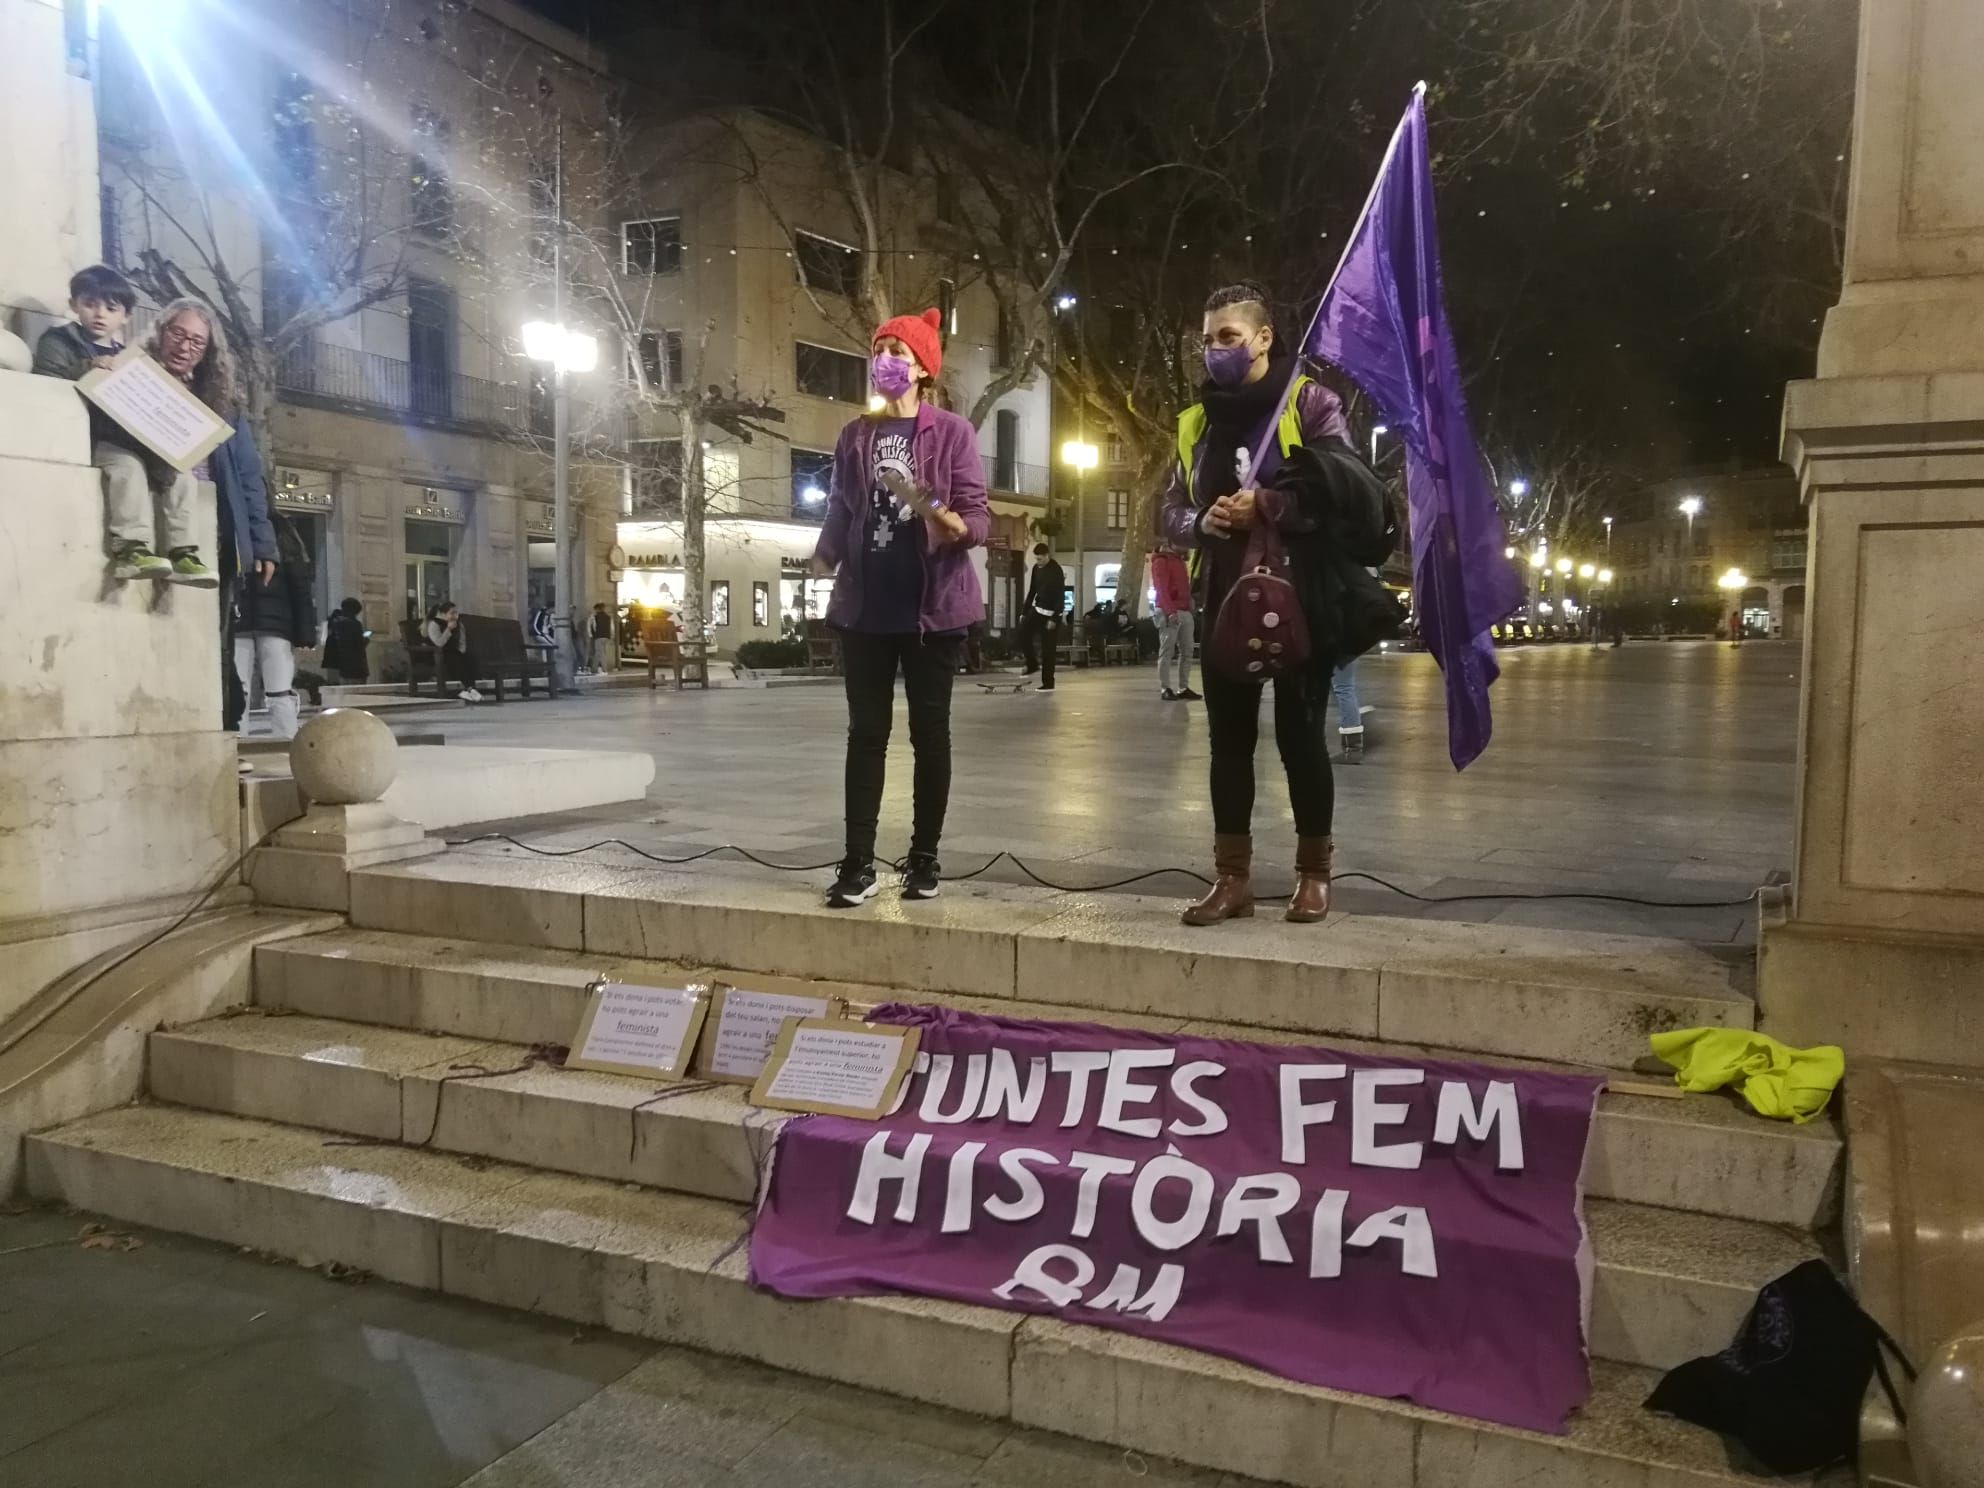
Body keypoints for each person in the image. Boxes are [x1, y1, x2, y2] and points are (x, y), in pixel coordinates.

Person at [1160, 281, 1393, 927]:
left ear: (1263, 338)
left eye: (1228, 337)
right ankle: (1231, 878)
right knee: (1227, 745)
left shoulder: (1312, 403)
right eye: (1207, 340)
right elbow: (1170, 510)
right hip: (1225, 601)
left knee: (1300, 740)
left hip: (1301, 597)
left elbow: (1346, 491)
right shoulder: (1196, 423)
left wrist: (1269, 504)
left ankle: (1314, 875)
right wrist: (1203, 521)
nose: (1215, 351)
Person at [810, 308, 987, 909]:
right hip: (865, 610)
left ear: (923, 369)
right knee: (866, 736)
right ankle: (858, 862)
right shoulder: (855, 434)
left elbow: (978, 516)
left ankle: (924, 857)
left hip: (932, 610)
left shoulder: (953, 433)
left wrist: (953, 524)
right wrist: (823, 559)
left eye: (897, 352)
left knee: (930, 736)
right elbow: (839, 507)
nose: (884, 360)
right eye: (879, 349)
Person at [32, 267, 221, 587]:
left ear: (126, 315)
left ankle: (183, 553)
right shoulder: (59, 340)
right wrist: (87, 367)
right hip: (96, 440)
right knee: (129, 468)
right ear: (74, 304)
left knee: (182, 473)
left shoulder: (130, 357)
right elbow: (47, 385)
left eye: (111, 308)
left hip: (133, 438)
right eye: (91, 304)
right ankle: (131, 549)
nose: (100, 314)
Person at [141, 300, 279, 732]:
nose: (185, 347)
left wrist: (261, 543)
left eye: (197, 341)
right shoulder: (138, 382)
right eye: (178, 334)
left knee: (213, 639)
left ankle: (223, 726)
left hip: (213, 533)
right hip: (152, 525)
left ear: (208, 351)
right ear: (161, 332)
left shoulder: (225, 408)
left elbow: (249, 479)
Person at [233, 518, 318, 739]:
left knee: (239, 690)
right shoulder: (281, 530)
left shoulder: (235, 524)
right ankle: (287, 744)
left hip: (241, 622)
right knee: (279, 691)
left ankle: (236, 747)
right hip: (276, 625)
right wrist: (305, 632)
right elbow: (301, 588)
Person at [1151, 542, 1200, 701]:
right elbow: (1161, 589)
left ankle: (1183, 687)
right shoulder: (1161, 561)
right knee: (1167, 651)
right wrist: (1170, 611)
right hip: (1169, 611)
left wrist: (1189, 601)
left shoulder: (1179, 560)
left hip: (1184, 610)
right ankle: (1165, 688)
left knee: (1187, 651)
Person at [1018, 542, 1064, 690]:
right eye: (1036, 559)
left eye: (1040, 559)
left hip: (1051, 615)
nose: (1038, 562)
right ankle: (1032, 664)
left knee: (1048, 650)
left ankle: (1048, 683)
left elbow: (1060, 596)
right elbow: (1032, 591)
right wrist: (1024, 612)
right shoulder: (1036, 569)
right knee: (1023, 632)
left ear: (1047, 556)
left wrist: (1055, 618)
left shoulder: (1056, 570)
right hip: (1037, 610)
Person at [426, 603, 483, 703]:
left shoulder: (458, 624)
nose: (455, 616)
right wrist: (449, 629)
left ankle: (469, 689)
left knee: (470, 659)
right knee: (455, 660)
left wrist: (462, 652)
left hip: (455, 652)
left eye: (456, 613)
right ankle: (470, 690)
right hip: (437, 655)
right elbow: (439, 643)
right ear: (442, 614)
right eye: (451, 613)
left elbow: (462, 641)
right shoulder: (434, 624)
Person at [322, 597, 372, 684]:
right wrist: (366, 639)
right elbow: (358, 645)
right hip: (355, 668)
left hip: (337, 665)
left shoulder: (334, 622)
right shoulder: (354, 624)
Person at [1330, 660, 1364, 761]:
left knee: (1343, 689)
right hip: (1348, 651)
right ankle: (1353, 748)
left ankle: (1352, 750)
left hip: (1337, 651)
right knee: (1343, 689)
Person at [587, 602, 613, 672]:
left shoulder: (594, 616)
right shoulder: (608, 617)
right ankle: (594, 668)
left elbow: (592, 626)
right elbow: (612, 627)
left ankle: (604, 669)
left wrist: (591, 635)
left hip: (598, 636)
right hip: (606, 636)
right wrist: (611, 636)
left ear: (597, 609)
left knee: (600, 653)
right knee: (600, 652)